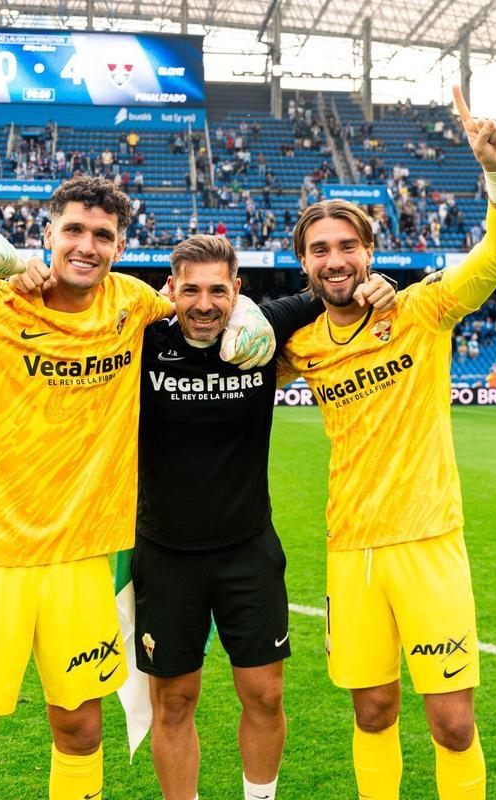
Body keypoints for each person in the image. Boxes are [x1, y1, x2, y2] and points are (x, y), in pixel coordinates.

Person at [0, 176, 274, 800]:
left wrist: (252, 308)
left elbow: (197, 302)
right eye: (74, 229)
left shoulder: (130, 303)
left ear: (120, 247)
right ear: (48, 234)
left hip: (80, 560)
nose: (87, 246)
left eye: (103, 235)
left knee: (80, 730)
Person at [278, 85, 496, 800]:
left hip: (427, 541)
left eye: (348, 246)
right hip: (351, 547)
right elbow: (233, 344)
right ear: (305, 263)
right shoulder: (300, 345)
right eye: (320, 249)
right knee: (373, 708)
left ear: (369, 253)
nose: (335, 258)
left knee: (451, 722)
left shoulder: (425, 309)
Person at [131, 235, 395, 800]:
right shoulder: (143, 339)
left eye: (219, 290)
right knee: (173, 702)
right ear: (171, 289)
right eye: (192, 290)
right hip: (165, 553)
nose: (205, 304)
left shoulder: (266, 326)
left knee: (266, 695)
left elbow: (335, 287)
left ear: (238, 292)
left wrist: (384, 283)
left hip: (247, 550)